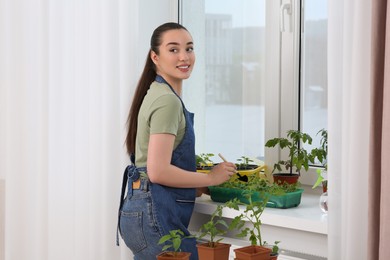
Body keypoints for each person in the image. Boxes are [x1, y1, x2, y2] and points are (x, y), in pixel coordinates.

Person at [116, 22, 236, 260]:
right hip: (153, 217)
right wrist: (211, 177)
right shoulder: (167, 102)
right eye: (173, 49)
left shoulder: (157, 93)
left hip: (140, 212)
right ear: (155, 57)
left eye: (189, 48)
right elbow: (158, 171)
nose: (184, 57)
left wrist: (195, 184)